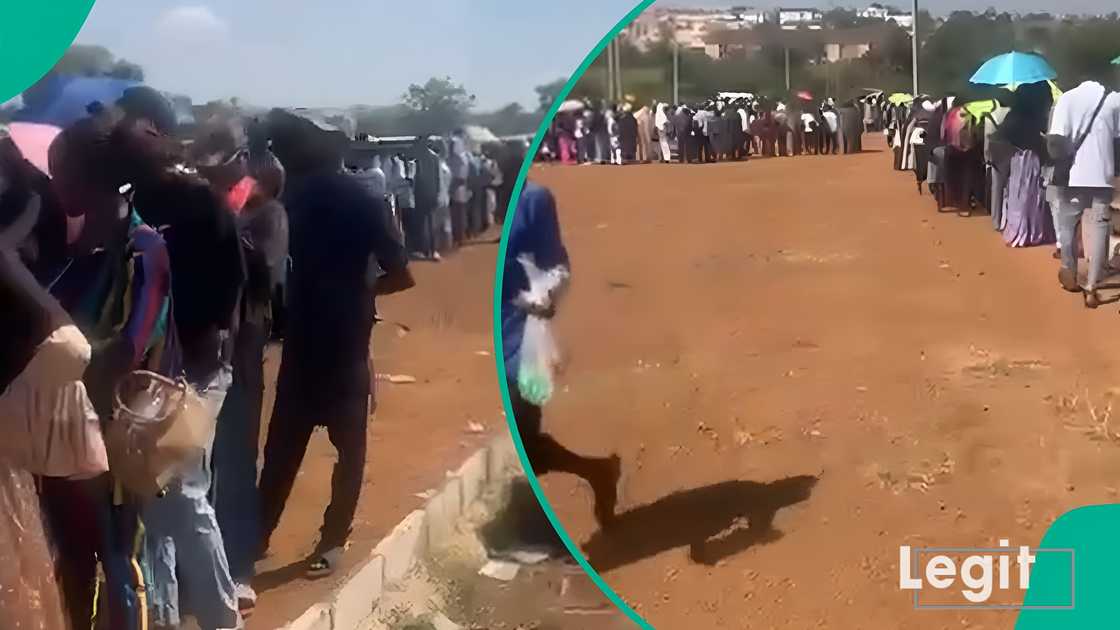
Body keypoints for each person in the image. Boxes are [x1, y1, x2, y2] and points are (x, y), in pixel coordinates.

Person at [259, 108, 416, 578]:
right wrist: (361, 292)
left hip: (313, 333)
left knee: (286, 445)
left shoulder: (292, 197)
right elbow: (401, 274)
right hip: (341, 331)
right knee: (345, 447)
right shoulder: (357, 197)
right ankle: (329, 538)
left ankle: (264, 536)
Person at [39, 107, 175, 630]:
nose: (54, 187)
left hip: (113, 441)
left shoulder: (144, 251)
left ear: (92, 181)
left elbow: (130, 348)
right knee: (71, 558)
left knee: (117, 560)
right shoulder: (79, 253)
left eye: (60, 175)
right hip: (64, 435)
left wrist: (56, 359)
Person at [121, 93, 246, 630]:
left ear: (158, 134)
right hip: (152, 368)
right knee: (155, 496)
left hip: (196, 367)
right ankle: (167, 617)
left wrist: (197, 362)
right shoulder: (132, 203)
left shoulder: (199, 202)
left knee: (183, 492)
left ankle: (222, 618)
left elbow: (233, 286)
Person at [503, 182, 621, 528]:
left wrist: (546, 297)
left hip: (519, 340)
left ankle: (598, 472)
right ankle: (599, 471)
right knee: (527, 448)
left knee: (524, 443)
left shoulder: (532, 200)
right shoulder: (479, 199)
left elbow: (557, 266)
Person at [1047, 77, 1120, 307]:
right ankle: (1091, 286)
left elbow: (1056, 141)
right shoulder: (1115, 100)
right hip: (1102, 174)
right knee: (1100, 227)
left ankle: (1069, 269)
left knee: (1068, 224)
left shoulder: (1066, 99)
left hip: (1072, 175)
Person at [998, 81, 1056, 249]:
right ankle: (1029, 232)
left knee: (1019, 195)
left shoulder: (1014, 115)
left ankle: (1019, 231)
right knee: (1030, 197)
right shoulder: (1034, 118)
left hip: (1018, 158)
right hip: (1032, 159)